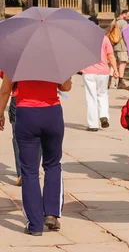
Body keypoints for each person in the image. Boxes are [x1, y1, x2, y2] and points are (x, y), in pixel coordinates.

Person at [0, 75, 72, 236]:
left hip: (26, 114)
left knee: (29, 170)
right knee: (53, 165)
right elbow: (66, 87)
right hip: (52, 112)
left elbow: (5, 91)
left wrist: (0, 114)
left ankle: (35, 224)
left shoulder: (17, 59)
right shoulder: (54, 58)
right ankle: (51, 214)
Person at [81, 17, 119, 132]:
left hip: (88, 71)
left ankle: (93, 124)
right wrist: (115, 70)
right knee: (102, 95)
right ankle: (103, 115)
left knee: (91, 97)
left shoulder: (84, 39)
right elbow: (111, 56)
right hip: (103, 71)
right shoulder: (105, 39)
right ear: (98, 26)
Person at [112, 10, 129, 89]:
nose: (128, 17)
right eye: (128, 16)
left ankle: (109, 80)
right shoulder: (123, 22)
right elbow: (125, 35)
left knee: (114, 63)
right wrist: (128, 45)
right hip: (121, 45)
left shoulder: (114, 21)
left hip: (114, 44)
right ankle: (120, 81)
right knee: (123, 63)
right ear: (124, 14)